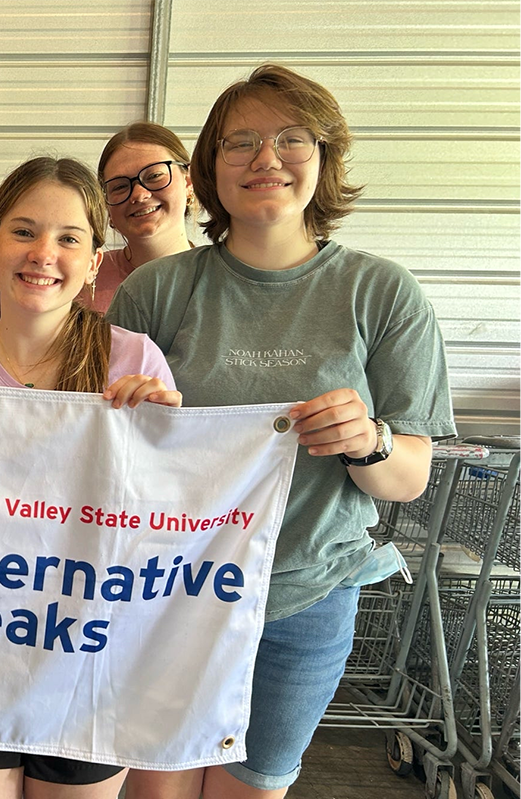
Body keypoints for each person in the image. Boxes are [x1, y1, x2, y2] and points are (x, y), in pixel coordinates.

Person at [106, 65, 455, 799]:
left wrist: (371, 440)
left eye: (291, 138)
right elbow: (107, 460)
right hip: (169, 594)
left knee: (252, 787)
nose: (266, 158)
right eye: (241, 142)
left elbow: (411, 476)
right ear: (209, 170)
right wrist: (131, 416)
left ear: (324, 160)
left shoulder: (383, 293)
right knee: (155, 785)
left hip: (306, 601)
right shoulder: (155, 292)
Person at [0, 156, 182, 799]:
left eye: (68, 237)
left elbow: (168, 524)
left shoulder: (134, 360)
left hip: (88, 664)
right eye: (23, 232)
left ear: (94, 261)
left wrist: (167, 440)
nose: (43, 252)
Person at [77, 122, 195, 313]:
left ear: (188, 183)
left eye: (155, 175)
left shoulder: (222, 279)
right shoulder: (80, 281)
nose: (139, 195)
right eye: (120, 187)